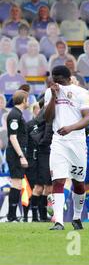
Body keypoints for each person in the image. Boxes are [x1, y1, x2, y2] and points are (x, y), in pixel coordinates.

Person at [44, 65, 89, 230]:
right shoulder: (49, 92)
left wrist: (70, 127)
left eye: (60, 80)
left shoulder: (81, 92)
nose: (58, 84)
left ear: (68, 78)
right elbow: (47, 117)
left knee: (79, 183)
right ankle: (58, 221)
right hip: (58, 141)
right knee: (58, 180)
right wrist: (53, 97)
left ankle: (77, 217)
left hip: (77, 142)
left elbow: (87, 118)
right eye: (54, 80)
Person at [4, 90, 29, 222]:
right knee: (16, 183)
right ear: (24, 100)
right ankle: (11, 216)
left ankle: (12, 215)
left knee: (18, 184)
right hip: (15, 154)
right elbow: (13, 137)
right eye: (28, 99)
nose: (28, 102)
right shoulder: (14, 114)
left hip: (17, 153)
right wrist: (21, 155)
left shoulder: (18, 114)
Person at [27, 99, 53, 222]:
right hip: (38, 159)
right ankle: (35, 216)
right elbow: (32, 141)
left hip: (48, 156)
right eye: (37, 109)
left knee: (48, 187)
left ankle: (43, 216)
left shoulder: (50, 121)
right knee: (38, 187)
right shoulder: (31, 125)